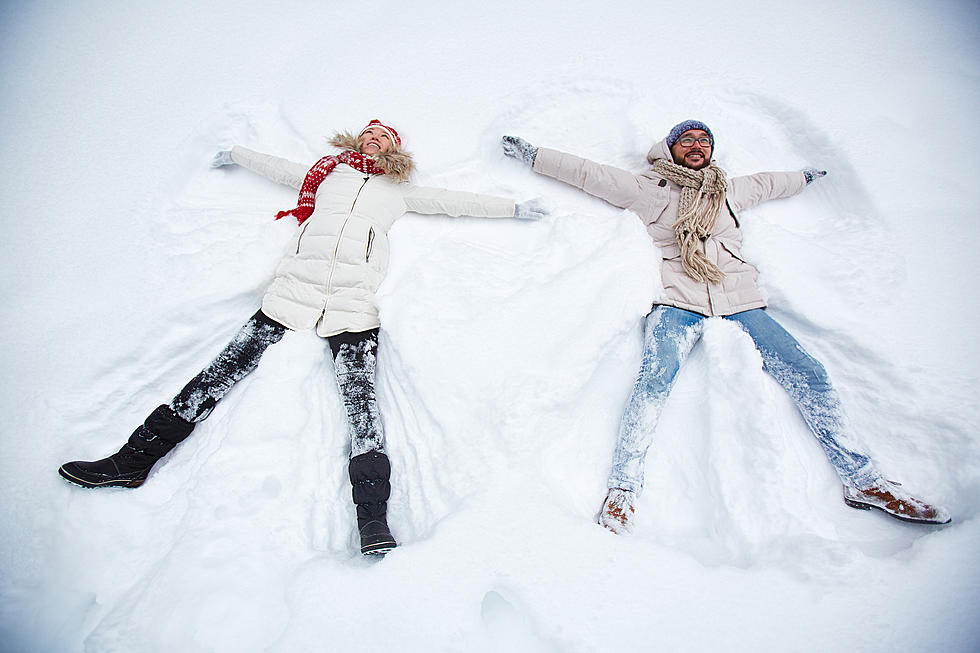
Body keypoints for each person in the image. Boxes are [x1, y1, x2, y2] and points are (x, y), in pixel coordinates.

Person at [59, 119, 547, 555]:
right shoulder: (327, 172)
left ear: (393, 151)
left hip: (354, 304)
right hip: (292, 292)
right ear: (359, 140)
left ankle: (373, 520)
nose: (374, 139)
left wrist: (513, 208)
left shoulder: (396, 191)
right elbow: (278, 169)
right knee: (215, 377)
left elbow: (454, 202)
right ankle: (131, 461)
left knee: (363, 412)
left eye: (384, 137)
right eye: (370, 133)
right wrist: (238, 155)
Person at [501, 120, 950, 532]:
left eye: (704, 141)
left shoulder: (727, 191)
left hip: (739, 299)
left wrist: (806, 178)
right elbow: (588, 173)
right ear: (670, 148)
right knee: (654, 383)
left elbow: (769, 183)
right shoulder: (647, 188)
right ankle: (624, 489)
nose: (696, 146)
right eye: (687, 140)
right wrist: (535, 155)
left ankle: (863, 480)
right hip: (678, 300)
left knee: (808, 372)